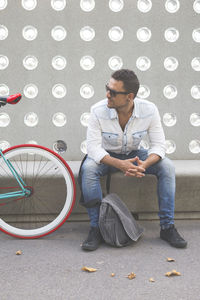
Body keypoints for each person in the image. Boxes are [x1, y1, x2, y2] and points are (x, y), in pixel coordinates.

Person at [80, 69, 187, 251]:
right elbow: (93, 148)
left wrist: (145, 164)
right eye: (107, 88)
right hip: (107, 156)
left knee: (167, 167)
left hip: (136, 154)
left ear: (129, 96)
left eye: (113, 92)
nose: (107, 94)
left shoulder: (149, 110)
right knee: (88, 169)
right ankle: (96, 228)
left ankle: (167, 227)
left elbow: (159, 145)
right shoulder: (97, 111)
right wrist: (120, 164)